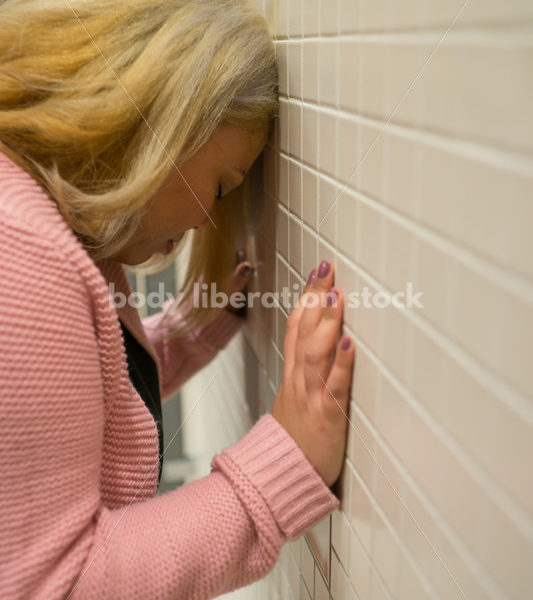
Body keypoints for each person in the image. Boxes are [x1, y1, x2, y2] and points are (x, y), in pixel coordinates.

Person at [0, 1, 355, 598]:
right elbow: (56, 585)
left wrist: (203, 323)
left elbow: (74, 398)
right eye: (222, 186)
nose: (204, 221)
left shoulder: (42, 226)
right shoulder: (22, 254)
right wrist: (285, 463)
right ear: (168, 123)